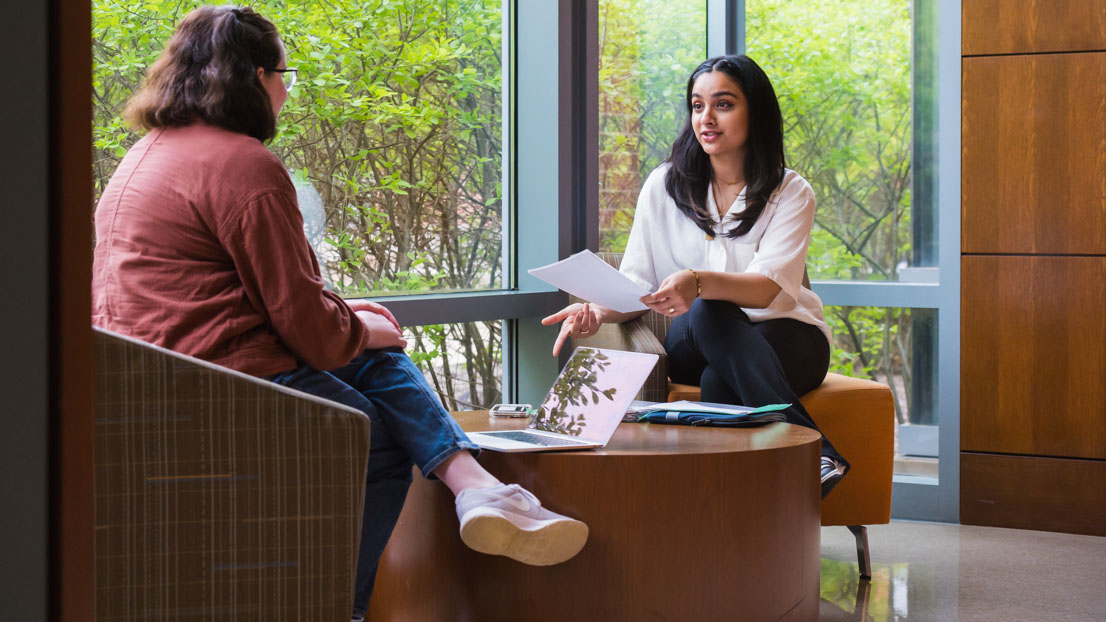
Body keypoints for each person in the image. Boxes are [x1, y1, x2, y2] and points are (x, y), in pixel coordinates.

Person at [90, 6, 587, 620]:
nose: (287, 90)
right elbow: (313, 335)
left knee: (373, 357)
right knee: (368, 433)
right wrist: (361, 326)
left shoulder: (147, 156)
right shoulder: (245, 165)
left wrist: (348, 316)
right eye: (283, 74)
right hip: (219, 384)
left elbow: (252, 295)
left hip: (157, 375)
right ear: (253, 78)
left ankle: (475, 487)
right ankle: (340, 604)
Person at [543, 54, 849, 498]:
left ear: (755, 112)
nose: (707, 117)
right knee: (708, 311)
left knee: (718, 383)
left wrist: (697, 279)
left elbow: (765, 291)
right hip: (695, 338)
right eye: (697, 105)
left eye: (723, 104)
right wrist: (597, 310)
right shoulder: (663, 185)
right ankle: (814, 451)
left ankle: (729, 523)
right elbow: (635, 286)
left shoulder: (791, 191)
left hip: (790, 339)